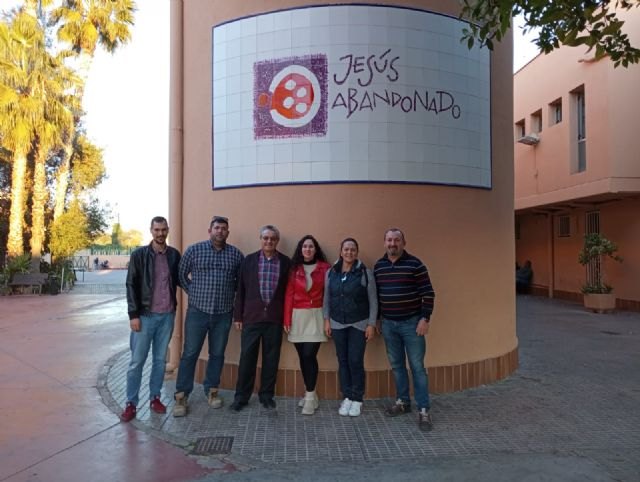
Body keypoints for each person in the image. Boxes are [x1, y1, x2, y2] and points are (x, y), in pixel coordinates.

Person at [173, 216, 244, 417]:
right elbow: (180, 275)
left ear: (228, 232)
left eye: (223, 228)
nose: (220, 231)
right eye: (217, 227)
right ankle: (181, 395)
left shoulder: (236, 255)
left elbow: (241, 282)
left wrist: (231, 296)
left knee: (217, 354)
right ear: (209, 230)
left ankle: (212, 390)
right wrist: (193, 292)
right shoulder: (194, 250)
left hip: (223, 313)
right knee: (190, 353)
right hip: (197, 312)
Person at [374, 228, 435, 431]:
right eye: (389, 240)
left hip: (412, 324)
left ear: (403, 243)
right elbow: (377, 296)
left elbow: (428, 293)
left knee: (417, 367)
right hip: (388, 325)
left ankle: (424, 410)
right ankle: (403, 402)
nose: (393, 243)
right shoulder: (379, 266)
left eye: (397, 240)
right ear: (384, 243)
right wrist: (378, 319)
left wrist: (425, 319)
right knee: (397, 365)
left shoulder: (415, 264)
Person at [121, 216, 181, 422]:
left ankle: (155, 397)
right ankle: (131, 403)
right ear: (151, 230)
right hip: (145, 317)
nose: (160, 233)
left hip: (167, 316)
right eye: (157, 230)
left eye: (163, 230)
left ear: (168, 230)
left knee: (159, 361)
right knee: (137, 362)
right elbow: (131, 285)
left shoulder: (174, 255)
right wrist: (133, 315)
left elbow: (180, 280)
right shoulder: (139, 255)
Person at [230, 225, 291, 412]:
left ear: (277, 241)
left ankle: (266, 396)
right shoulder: (249, 261)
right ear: (261, 239)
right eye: (265, 238)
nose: (269, 241)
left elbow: (289, 293)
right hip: (251, 318)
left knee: (271, 359)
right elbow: (240, 290)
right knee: (247, 359)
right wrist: (238, 316)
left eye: (273, 238)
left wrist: (287, 319)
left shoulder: (286, 262)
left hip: (274, 319)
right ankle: (241, 397)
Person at [323, 238, 377, 417]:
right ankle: (347, 396)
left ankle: (357, 398)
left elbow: (373, 300)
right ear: (341, 252)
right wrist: (327, 320)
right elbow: (326, 298)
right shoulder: (331, 272)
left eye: (353, 249)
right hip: (337, 323)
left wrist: (371, 324)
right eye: (346, 249)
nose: (349, 252)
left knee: (355, 360)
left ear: (357, 252)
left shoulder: (364, 272)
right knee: (343, 360)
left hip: (358, 323)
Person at [283, 235, 331, 415]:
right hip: (297, 316)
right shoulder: (294, 268)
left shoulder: (325, 268)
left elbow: (329, 295)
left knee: (309, 355)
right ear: (300, 249)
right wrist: (287, 319)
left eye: (311, 246)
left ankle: (310, 397)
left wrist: (328, 319)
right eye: (305, 246)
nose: (308, 249)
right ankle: (310, 392)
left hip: (317, 315)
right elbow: (289, 294)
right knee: (303, 357)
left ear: (315, 249)